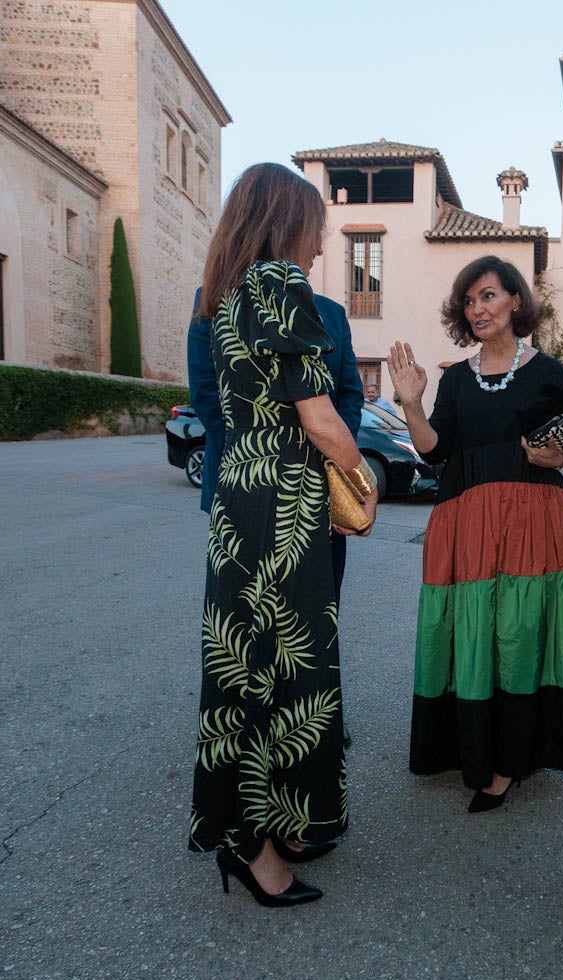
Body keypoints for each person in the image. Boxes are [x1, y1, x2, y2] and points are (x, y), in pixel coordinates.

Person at [186, 162, 378, 908]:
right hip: (286, 504)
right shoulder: (281, 285)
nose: (323, 234)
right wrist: (363, 482)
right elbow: (322, 416)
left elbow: (218, 404)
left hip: (240, 494)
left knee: (247, 669)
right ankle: (256, 846)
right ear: (286, 219)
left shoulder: (224, 298)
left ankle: (264, 827)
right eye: (316, 221)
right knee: (291, 667)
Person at [388, 256, 563, 812]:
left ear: (514, 300)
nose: (478, 309)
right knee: (475, 636)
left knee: (521, 634)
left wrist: (560, 456)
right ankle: (478, 749)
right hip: (467, 524)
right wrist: (412, 403)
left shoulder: (547, 371)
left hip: (536, 522)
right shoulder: (457, 379)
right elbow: (436, 452)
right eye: (468, 301)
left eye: (487, 296)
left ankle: (511, 760)